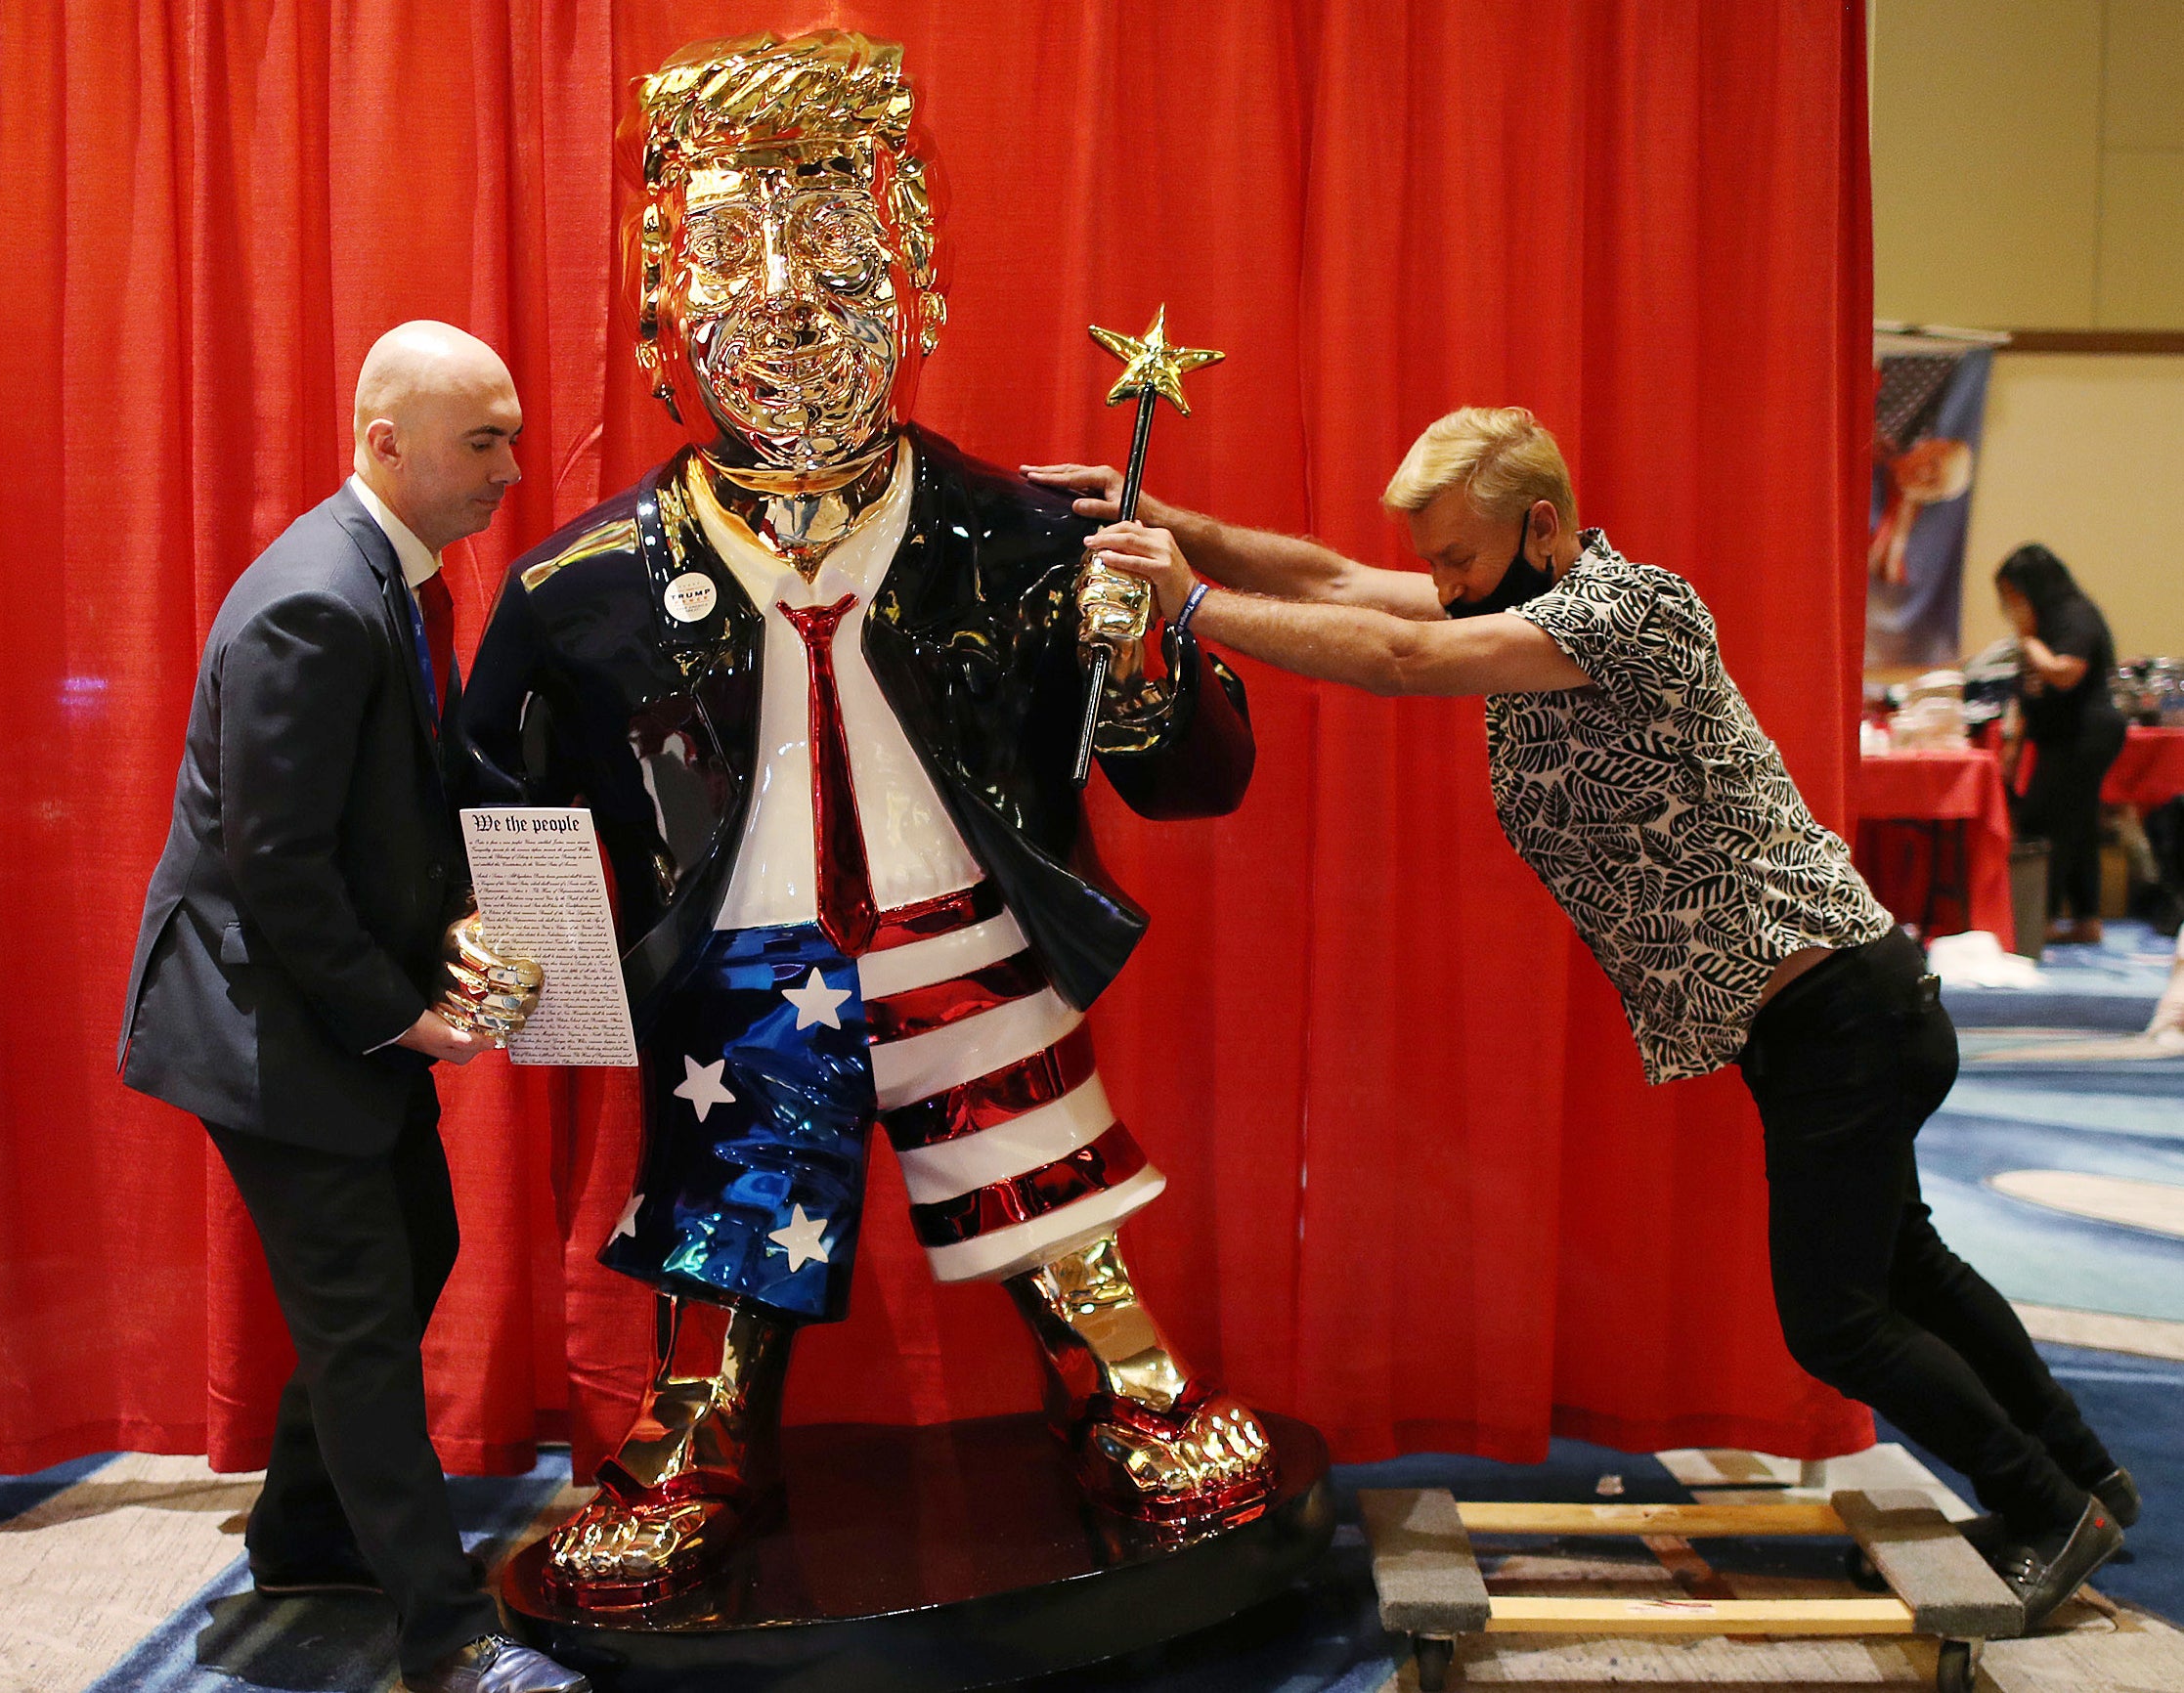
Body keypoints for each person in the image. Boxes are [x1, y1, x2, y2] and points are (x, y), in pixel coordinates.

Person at [1025, 406, 2137, 1628]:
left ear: (1541, 528)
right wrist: (1166, 527)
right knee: (1905, 1266)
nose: (1442, 584)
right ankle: (2088, 1476)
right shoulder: (1525, 603)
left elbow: (1399, 661)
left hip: (1842, 1011)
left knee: (1838, 1320)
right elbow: (1342, 581)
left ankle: (2044, 1508)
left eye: (1458, 557)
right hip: (1826, 1013)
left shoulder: (1627, 611)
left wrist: (1190, 605)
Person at [447, 30, 1272, 1614]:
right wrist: (501, 941)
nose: (787, 301)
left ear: (909, 273)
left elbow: (1191, 776)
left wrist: (1147, 664)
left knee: (1046, 1173)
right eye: (732, 250)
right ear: (663, 298)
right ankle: (695, 1437)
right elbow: (497, 793)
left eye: (829, 239)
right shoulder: (581, 587)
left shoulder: (1024, 538)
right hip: (741, 960)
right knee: (729, 1208)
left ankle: (1121, 1379)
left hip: (964, 930)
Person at [117, 322, 587, 1693]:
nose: (513, 466)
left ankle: (304, 1532)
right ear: (385, 443)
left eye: (509, 432)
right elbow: (277, 870)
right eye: (483, 440)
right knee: (366, 1318)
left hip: (312, 1003)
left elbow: (380, 813)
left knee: (417, 1242)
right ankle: (447, 1640)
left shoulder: (388, 576)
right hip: (264, 1022)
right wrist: (407, 1017)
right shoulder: (319, 600)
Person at [1995, 544, 2127, 946]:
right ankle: (2086, 919)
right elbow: (2029, 694)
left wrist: (2029, 644)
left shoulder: (2074, 616)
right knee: (2079, 822)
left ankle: (2042, 918)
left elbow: (2064, 674)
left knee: (2043, 821)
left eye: (2013, 595)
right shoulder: (2045, 624)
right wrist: (2015, 745)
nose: (2010, 605)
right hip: (2059, 735)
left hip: (2086, 734)